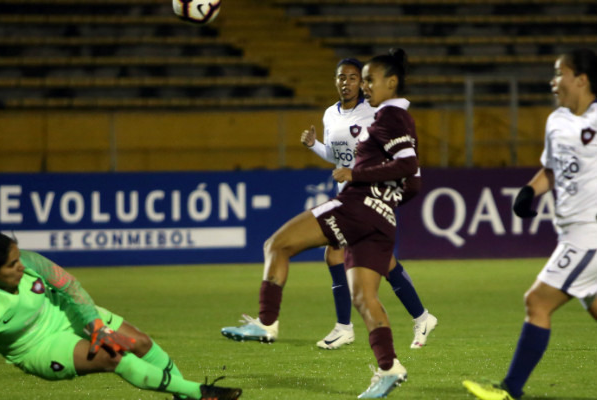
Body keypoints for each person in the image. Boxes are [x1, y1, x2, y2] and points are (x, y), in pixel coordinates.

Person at [221, 48, 418, 398]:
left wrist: (358, 177)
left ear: (391, 82)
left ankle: (266, 323)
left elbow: (405, 166)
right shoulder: (396, 119)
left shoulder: (385, 117)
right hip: (381, 217)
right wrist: (385, 199)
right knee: (364, 296)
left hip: (357, 206)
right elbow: (412, 181)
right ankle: (389, 367)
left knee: (276, 245)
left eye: (369, 79)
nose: (364, 85)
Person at [0, 230, 242, 400]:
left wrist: (95, 326)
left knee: (140, 343)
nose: (21, 266)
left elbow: (70, 287)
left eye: (18, 258)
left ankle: (186, 395)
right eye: (11, 264)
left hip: (69, 312)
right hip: (38, 346)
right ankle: (201, 393)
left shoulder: (28, 261)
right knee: (114, 356)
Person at [463, 49, 597, 400]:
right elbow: (553, 169)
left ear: (581, 79)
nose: (553, 82)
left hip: (590, 233)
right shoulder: (556, 121)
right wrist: (530, 191)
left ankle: (510, 389)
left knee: (537, 301)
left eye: (559, 73)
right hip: (570, 230)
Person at [300, 57, 437, 350]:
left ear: (362, 84)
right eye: (341, 77)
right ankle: (421, 316)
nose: (346, 83)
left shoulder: (373, 112)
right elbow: (339, 157)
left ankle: (344, 327)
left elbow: (393, 151)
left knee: (334, 255)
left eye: (352, 78)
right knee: (382, 262)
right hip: (346, 194)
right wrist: (315, 146)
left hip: (367, 196)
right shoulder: (329, 115)